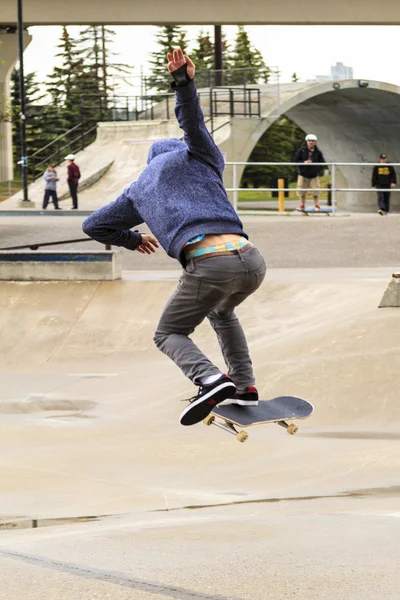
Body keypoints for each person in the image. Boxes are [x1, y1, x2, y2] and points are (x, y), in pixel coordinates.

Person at [82, 47, 266, 427]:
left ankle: (211, 379)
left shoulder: (139, 189)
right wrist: (183, 81)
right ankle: (245, 386)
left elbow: (93, 226)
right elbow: (193, 123)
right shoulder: (202, 156)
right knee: (223, 311)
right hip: (251, 259)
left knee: (169, 333)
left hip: (209, 264)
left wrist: (134, 239)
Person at [294, 134, 326, 211]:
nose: (311, 142)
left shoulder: (318, 152)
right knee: (302, 191)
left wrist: (317, 169)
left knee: (316, 191)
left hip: (314, 175)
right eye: (309, 141)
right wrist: (303, 162)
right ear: (306, 141)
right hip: (303, 174)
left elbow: (322, 162)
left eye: (313, 141)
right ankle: (302, 205)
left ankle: (317, 205)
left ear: (315, 142)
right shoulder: (301, 151)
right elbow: (295, 160)